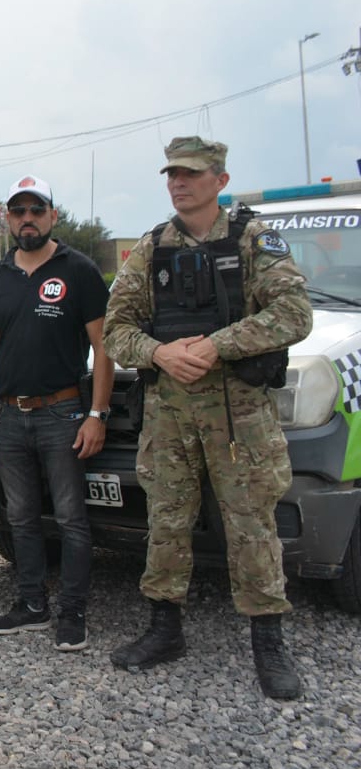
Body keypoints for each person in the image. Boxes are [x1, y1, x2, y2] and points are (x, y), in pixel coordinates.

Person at [102, 137, 312, 699]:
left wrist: (218, 345)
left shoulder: (252, 240)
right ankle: (164, 627)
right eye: (172, 173)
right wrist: (159, 353)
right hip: (169, 413)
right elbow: (116, 329)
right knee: (166, 521)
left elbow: (294, 313)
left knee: (251, 524)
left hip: (238, 413)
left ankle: (268, 640)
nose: (179, 182)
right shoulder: (152, 247)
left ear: (220, 180)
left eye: (191, 174)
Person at [0, 176, 113, 649]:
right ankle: (32, 604)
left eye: (36, 210)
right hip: (8, 416)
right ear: (9, 219)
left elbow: (104, 346)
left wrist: (97, 414)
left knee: (71, 518)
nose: (27, 219)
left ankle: (73, 612)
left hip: (63, 413)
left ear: (53, 215)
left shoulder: (79, 269)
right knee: (21, 517)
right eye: (19, 211)